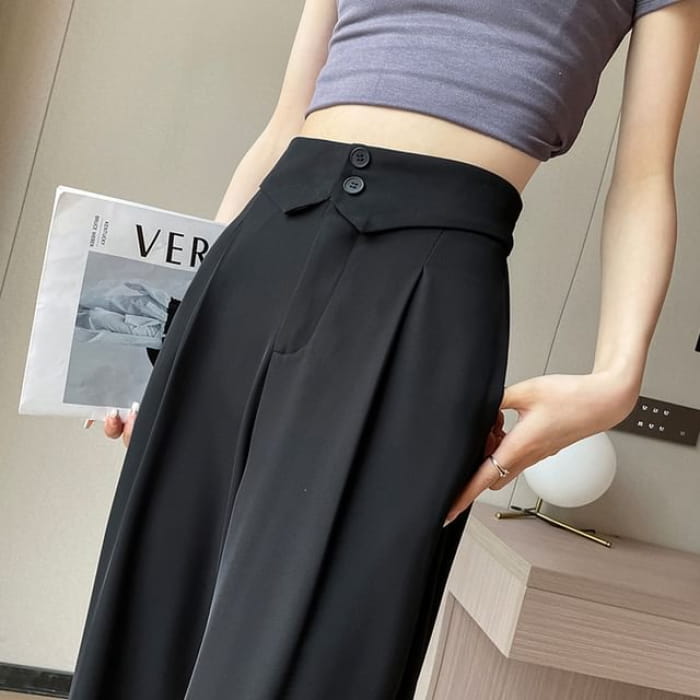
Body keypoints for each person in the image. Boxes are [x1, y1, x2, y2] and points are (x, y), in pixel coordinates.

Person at [76, 1, 699, 698]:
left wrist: (618, 377)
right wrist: (166, 335)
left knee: (320, 645)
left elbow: (645, 174)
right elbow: (286, 124)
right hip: (259, 253)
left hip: (429, 290)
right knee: (158, 600)